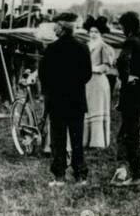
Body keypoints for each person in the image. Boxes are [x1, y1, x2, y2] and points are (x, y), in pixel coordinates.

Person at [38, 20, 92, 185]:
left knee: (58, 140)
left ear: (62, 29)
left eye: (56, 26)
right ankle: (80, 175)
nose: (54, 28)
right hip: (76, 99)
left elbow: (43, 75)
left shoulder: (51, 49)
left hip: (57, 100)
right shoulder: (83, 47)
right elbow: (87, 74)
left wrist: (50, 90)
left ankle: (59, 176)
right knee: (77, 140)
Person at [110, 11, 140, 187]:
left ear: (127, 26)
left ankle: (136, 175)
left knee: (130, 135)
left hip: (133, 94)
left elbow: (123, 61)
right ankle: (122, 167)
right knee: (128, 132)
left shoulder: (131, 40)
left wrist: (126, 77)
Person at [83, 25, 116, 149]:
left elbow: (106, 67)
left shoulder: (104, 47)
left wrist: (92, 68)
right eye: (91, 31)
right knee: (87, 108)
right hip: (87, 82)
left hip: (98, 82)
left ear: (101, 33)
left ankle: (97, 142)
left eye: (96, 32)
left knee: (97, 109)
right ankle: (85, 140)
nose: (93, 34)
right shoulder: (86, 46)